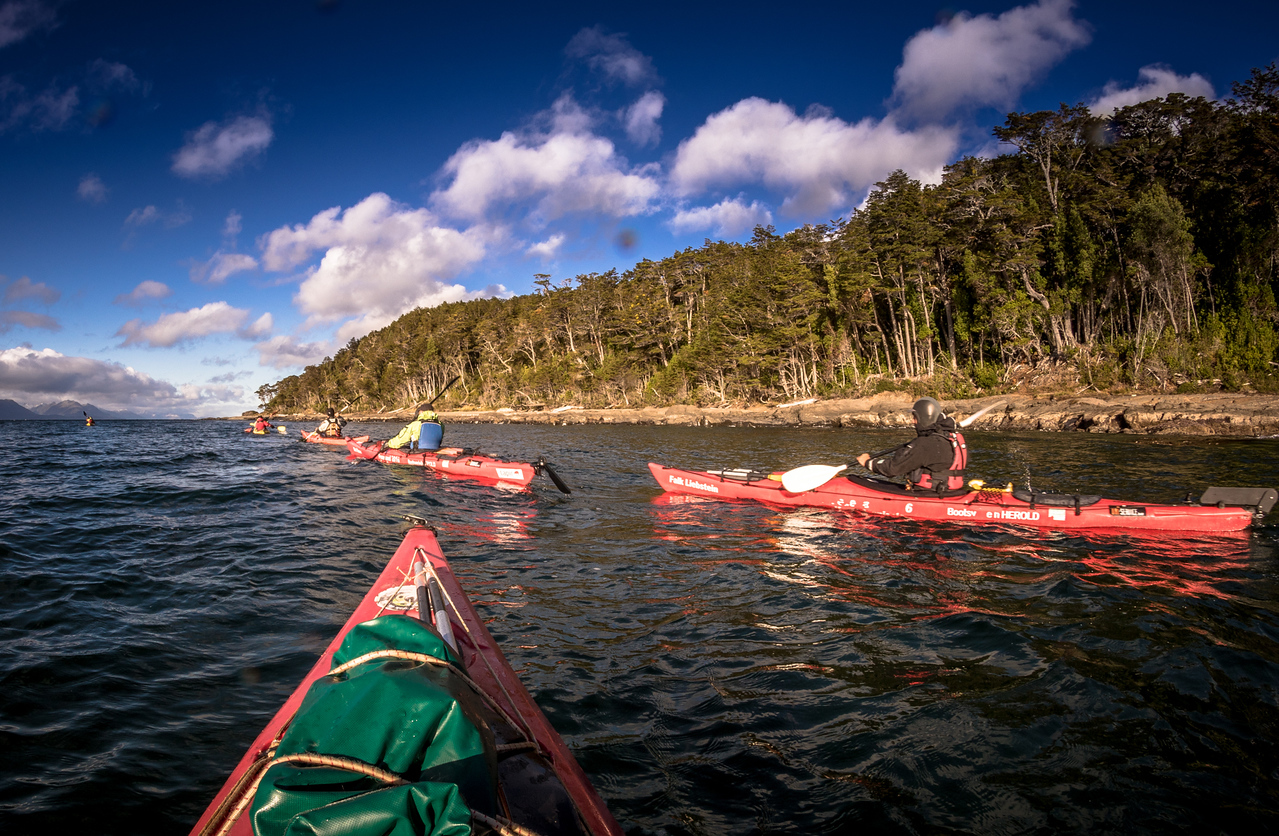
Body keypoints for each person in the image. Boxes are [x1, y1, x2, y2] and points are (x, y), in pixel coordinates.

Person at [855, 396, 967, 493]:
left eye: (915, 417)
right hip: (952, 492)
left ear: (923, 417)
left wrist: (868, 462)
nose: (913, 421)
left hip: (930, 494)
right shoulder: (953, 438)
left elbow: (892, 468)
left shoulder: (925, 444)